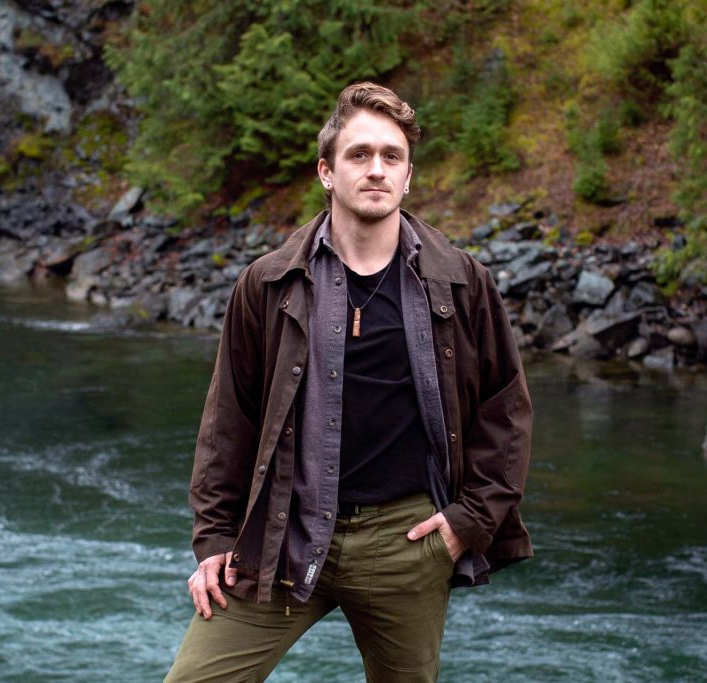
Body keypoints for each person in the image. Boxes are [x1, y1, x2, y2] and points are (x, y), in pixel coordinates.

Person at [164, 82, 533, 683]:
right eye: (359, 155)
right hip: (285, 530)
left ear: (409, 177)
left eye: (392, 156)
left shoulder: (461, 281)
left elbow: (506, 411)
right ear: (326, 172)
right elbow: (229, 419)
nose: (377, 170)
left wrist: (468, 523)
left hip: (409, 542)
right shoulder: (269, 283)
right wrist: (213, 541)